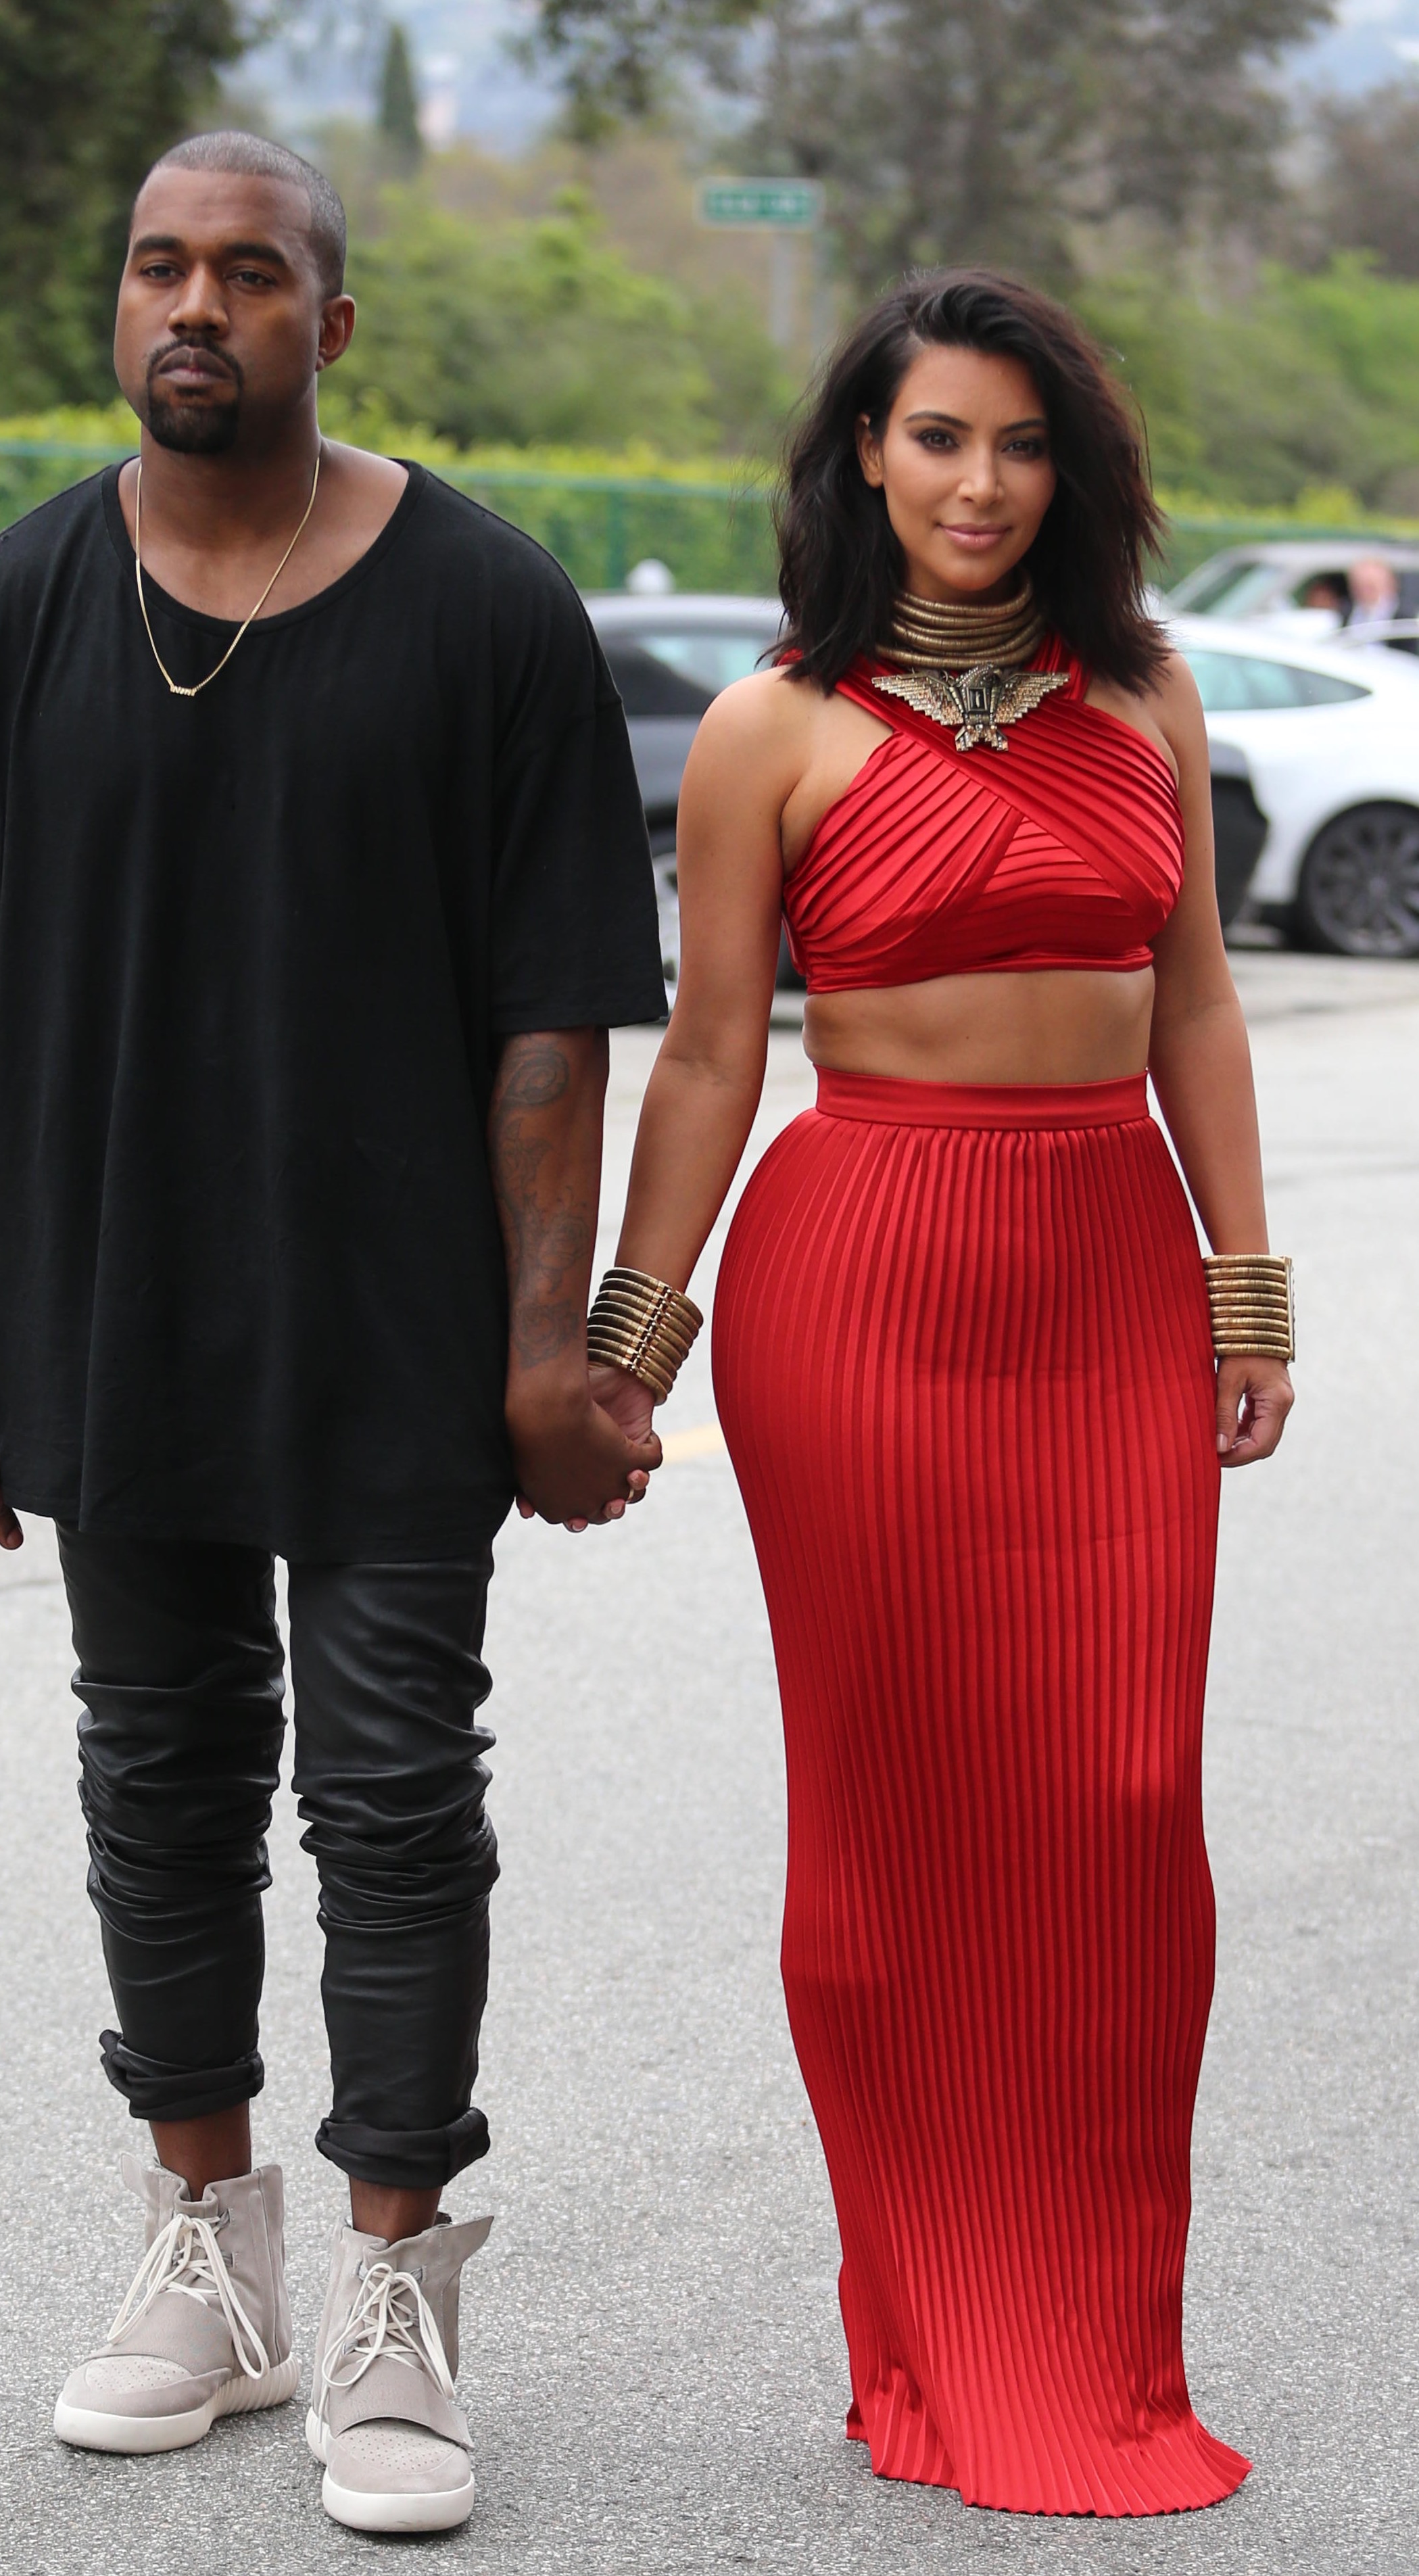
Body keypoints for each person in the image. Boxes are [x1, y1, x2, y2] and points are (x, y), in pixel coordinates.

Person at [0, 130, 665, 2535]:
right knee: (160, 1779)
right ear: (119, 305)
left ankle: (396, 2284)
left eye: (254, 272)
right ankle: (210, 2245)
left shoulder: (488, 609)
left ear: (332, 321)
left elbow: (554, 1022)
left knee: (391, 1798)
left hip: (399, 1339)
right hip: (116, 1318)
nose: (198, 304)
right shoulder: (4, 612)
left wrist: (549, 1342)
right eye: (160, 266)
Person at [591, 269, 1293, 2517]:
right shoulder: (768, 728)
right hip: (861, 1285)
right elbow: (710, 1052)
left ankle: (1094, 2340)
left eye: (1017, 442)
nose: (977, 482)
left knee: (1120, 1805)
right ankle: (919, 2328)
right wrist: (629, 1340)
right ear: (863, 461)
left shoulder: (1148, 696)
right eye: (935, 439)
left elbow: (1194, 1002)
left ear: (1067, 470)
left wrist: (1244, 1292)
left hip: (1108, 1276)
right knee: (893, 1822)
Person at [1344, 555, 1399, 628]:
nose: (1364, 592)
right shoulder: (1346, 615)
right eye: (1359, 586)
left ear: (1389, 584)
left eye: (1370, 586)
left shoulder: (1406, 617)